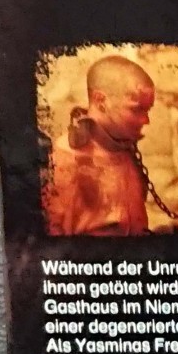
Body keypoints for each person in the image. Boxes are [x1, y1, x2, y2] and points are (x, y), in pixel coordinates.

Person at [44, 55, 156, 236]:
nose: (146, 120)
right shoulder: (64, 163)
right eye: (136, 109)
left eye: (147, 110)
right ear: (100, 101)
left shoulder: (123, 148)